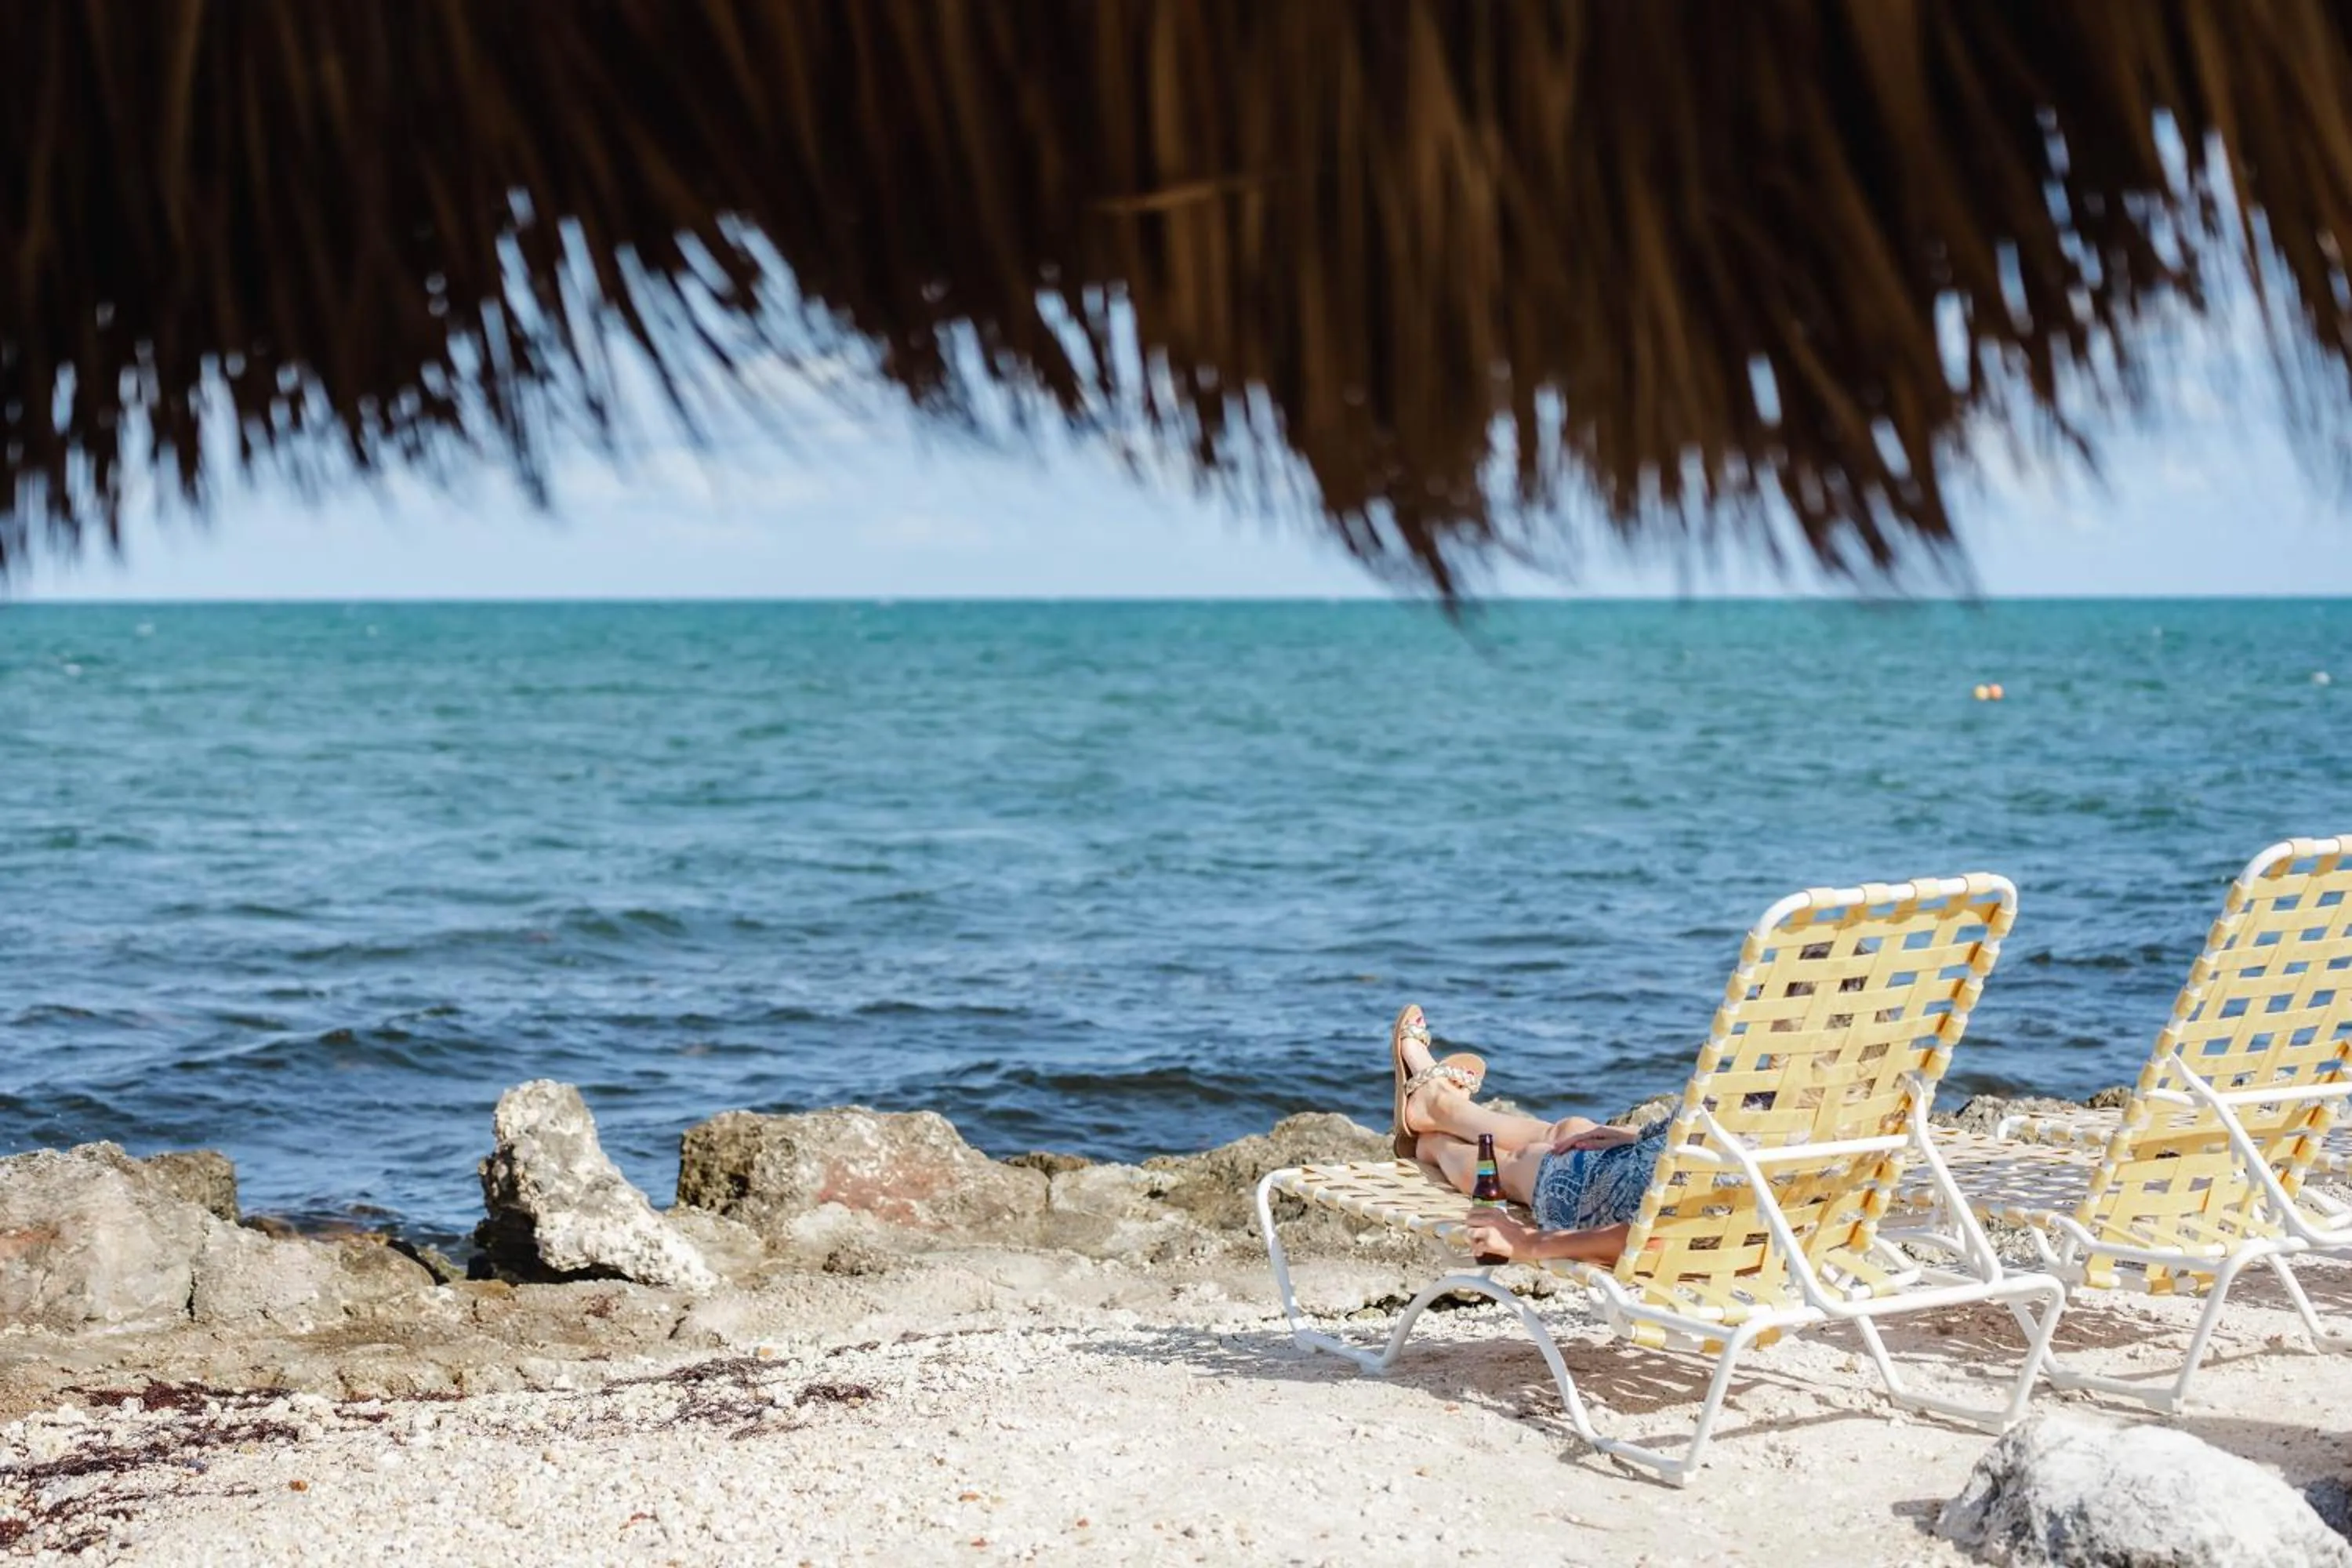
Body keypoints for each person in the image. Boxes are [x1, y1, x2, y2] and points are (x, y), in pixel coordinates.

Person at [1388, 1004, 1671, 1266]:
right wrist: (1640, 1137)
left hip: (1620, 1210)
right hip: (1657, 1171)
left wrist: (1528, 1242)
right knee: (1571, 1130)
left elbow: (1656, 1237)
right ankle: (1438, 1109)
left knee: (1529, 1162)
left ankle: (1434, 1142)